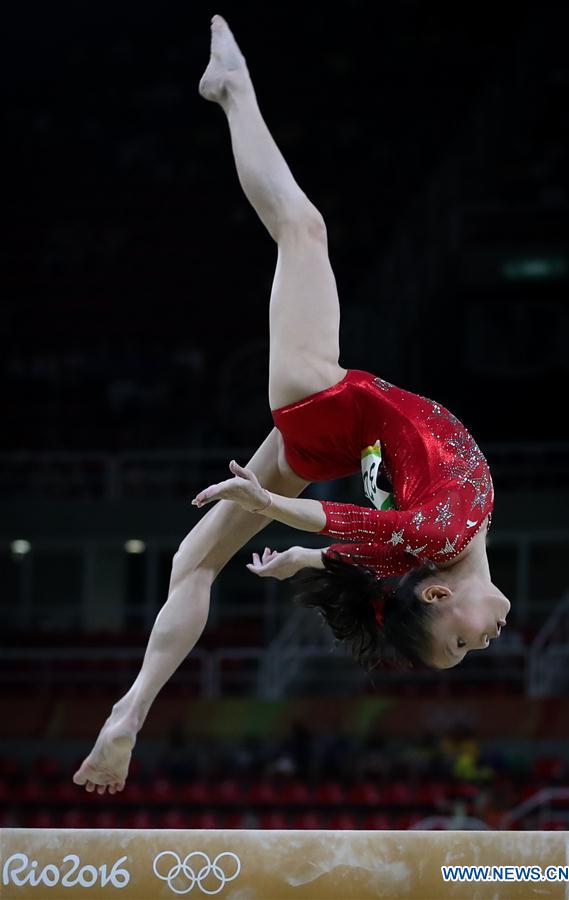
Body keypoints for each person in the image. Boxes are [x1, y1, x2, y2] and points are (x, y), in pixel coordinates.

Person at [73, 15, 509, 795]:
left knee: (302, 231)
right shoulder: (415, 557)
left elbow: (338, 525)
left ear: (440, 598)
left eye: (458, 645)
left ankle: (231, 91)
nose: (481, 645)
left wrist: (268, 502)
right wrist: (293, 561)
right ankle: (129, 710)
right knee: (191, 564)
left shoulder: (440, 535)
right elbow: (340, 553)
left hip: (321, 400)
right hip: (328, 444)